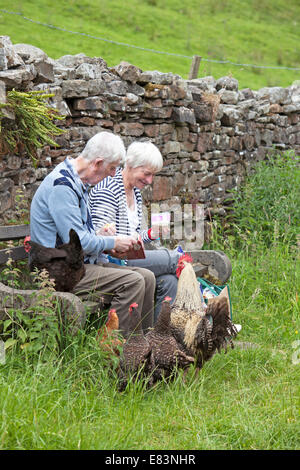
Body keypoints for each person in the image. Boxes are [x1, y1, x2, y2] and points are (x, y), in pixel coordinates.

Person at [30, 132, 156, 337]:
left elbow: (77, 235)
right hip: (55, 272)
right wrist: (112, 240)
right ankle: (122, 359)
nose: (114, 174)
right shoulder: (62, 186)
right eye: (112, 167)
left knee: (147, 277)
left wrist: (100, 236)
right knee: (132, 281)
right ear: (98, 163)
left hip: (75, 265)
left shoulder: (77, 182)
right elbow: (78, 242)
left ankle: (147, 349)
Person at [88, 140, 182, 320]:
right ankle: (201, 315)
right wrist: (114, 238)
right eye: (146, 174)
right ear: (130, 165)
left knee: (169, 282)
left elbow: (133, 237)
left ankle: (159, 340)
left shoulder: (135, 192)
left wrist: (149, 235)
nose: (149, 181)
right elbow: (104, 241)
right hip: (112, 262)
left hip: (130, 258)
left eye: (153, 175)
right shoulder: (107, 190)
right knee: (176, 259)